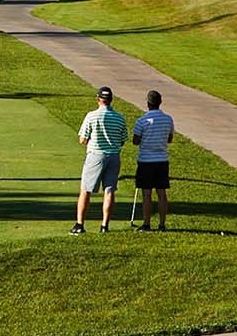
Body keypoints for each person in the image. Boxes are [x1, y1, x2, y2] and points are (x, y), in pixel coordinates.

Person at [72, 86, 127, 234]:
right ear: (111, 100)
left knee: (86, 190)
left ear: (98, 99)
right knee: (109, 191)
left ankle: (79, 225)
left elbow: (82, 140)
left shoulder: (91, 116)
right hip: (114, 156)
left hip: (95, 155)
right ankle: (104, 226)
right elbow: (122, 141)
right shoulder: (120, 118)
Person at [131, 90, 175, 231]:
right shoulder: (168, 119)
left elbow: (135, 141)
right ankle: (162, 225)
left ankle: (146, 224)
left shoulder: (142, 121)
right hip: (162, 160)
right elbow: (169, 139)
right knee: (162, 193)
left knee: (147, 194)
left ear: (148, 103)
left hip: (146, 161)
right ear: (160, 102)